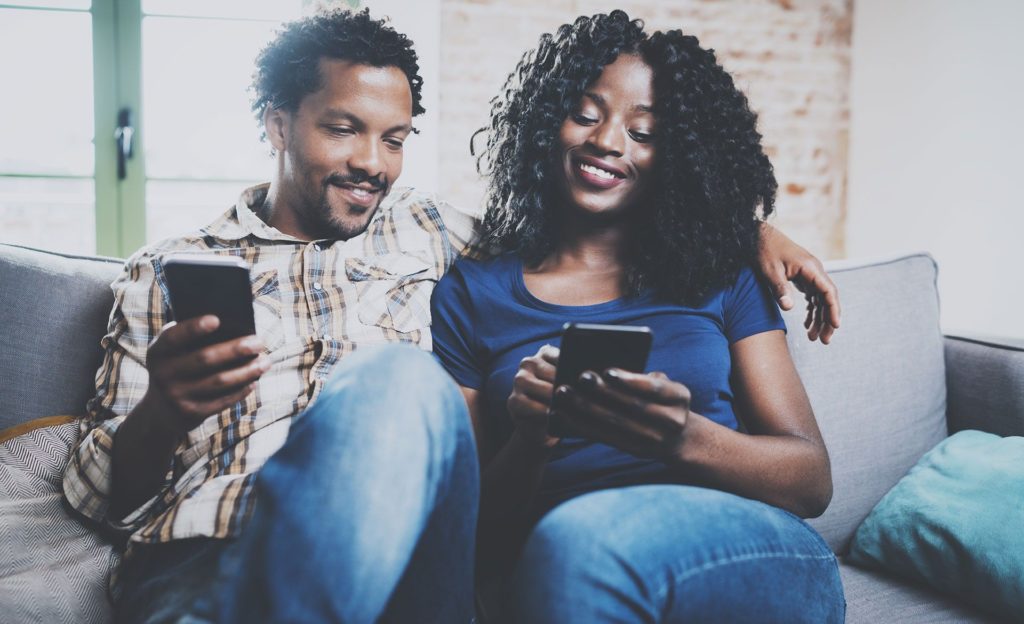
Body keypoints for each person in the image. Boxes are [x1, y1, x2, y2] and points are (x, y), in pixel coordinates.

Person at [62, 8, 838, 623]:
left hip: (407, 559)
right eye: (343, 127)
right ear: (276, 125)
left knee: (399, 377)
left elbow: (603, 215)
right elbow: (102, 499)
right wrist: (165, 409)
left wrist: (747, 227)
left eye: (394, 139)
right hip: (205, 555)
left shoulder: (431, 232)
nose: (372, 161)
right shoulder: (163, 273)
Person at [430, 10, 845, 623]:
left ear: (677, 157)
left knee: (584, 543)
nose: (607, 142)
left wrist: (682, 438)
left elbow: (810, 482)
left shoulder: (720, 272)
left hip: (746, 549)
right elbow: (478, 538)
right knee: (570, 546)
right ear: (547, 123)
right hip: (560, 565)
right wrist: (531, 439)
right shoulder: (472, 292)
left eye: (644, 133)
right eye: (587, 114)